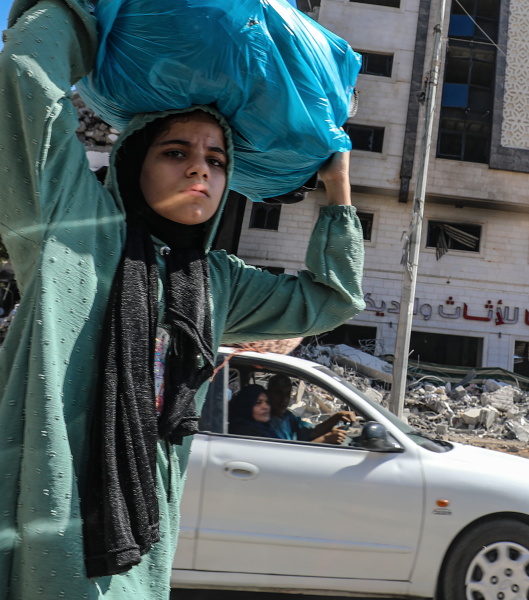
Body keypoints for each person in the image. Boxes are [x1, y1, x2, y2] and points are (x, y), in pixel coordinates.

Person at [0, 1, 365, 597]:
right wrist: (80, 14)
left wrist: (337, 183)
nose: (200, 170)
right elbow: (25, 78)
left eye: (216, 161)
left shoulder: (217, 282)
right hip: (44, 544)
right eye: (176, 153)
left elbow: (331, 299)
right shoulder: (70, 225)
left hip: (142, 554)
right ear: (132, 161)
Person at [266, 374, 355, 445]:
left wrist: (337, 417)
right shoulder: (265, 423)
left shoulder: (286, 416)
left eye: (287, 394)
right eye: (278, 393)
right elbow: (291, 456)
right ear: (269, 394)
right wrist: (326, 438)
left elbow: (312, 432)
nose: (284, 399)